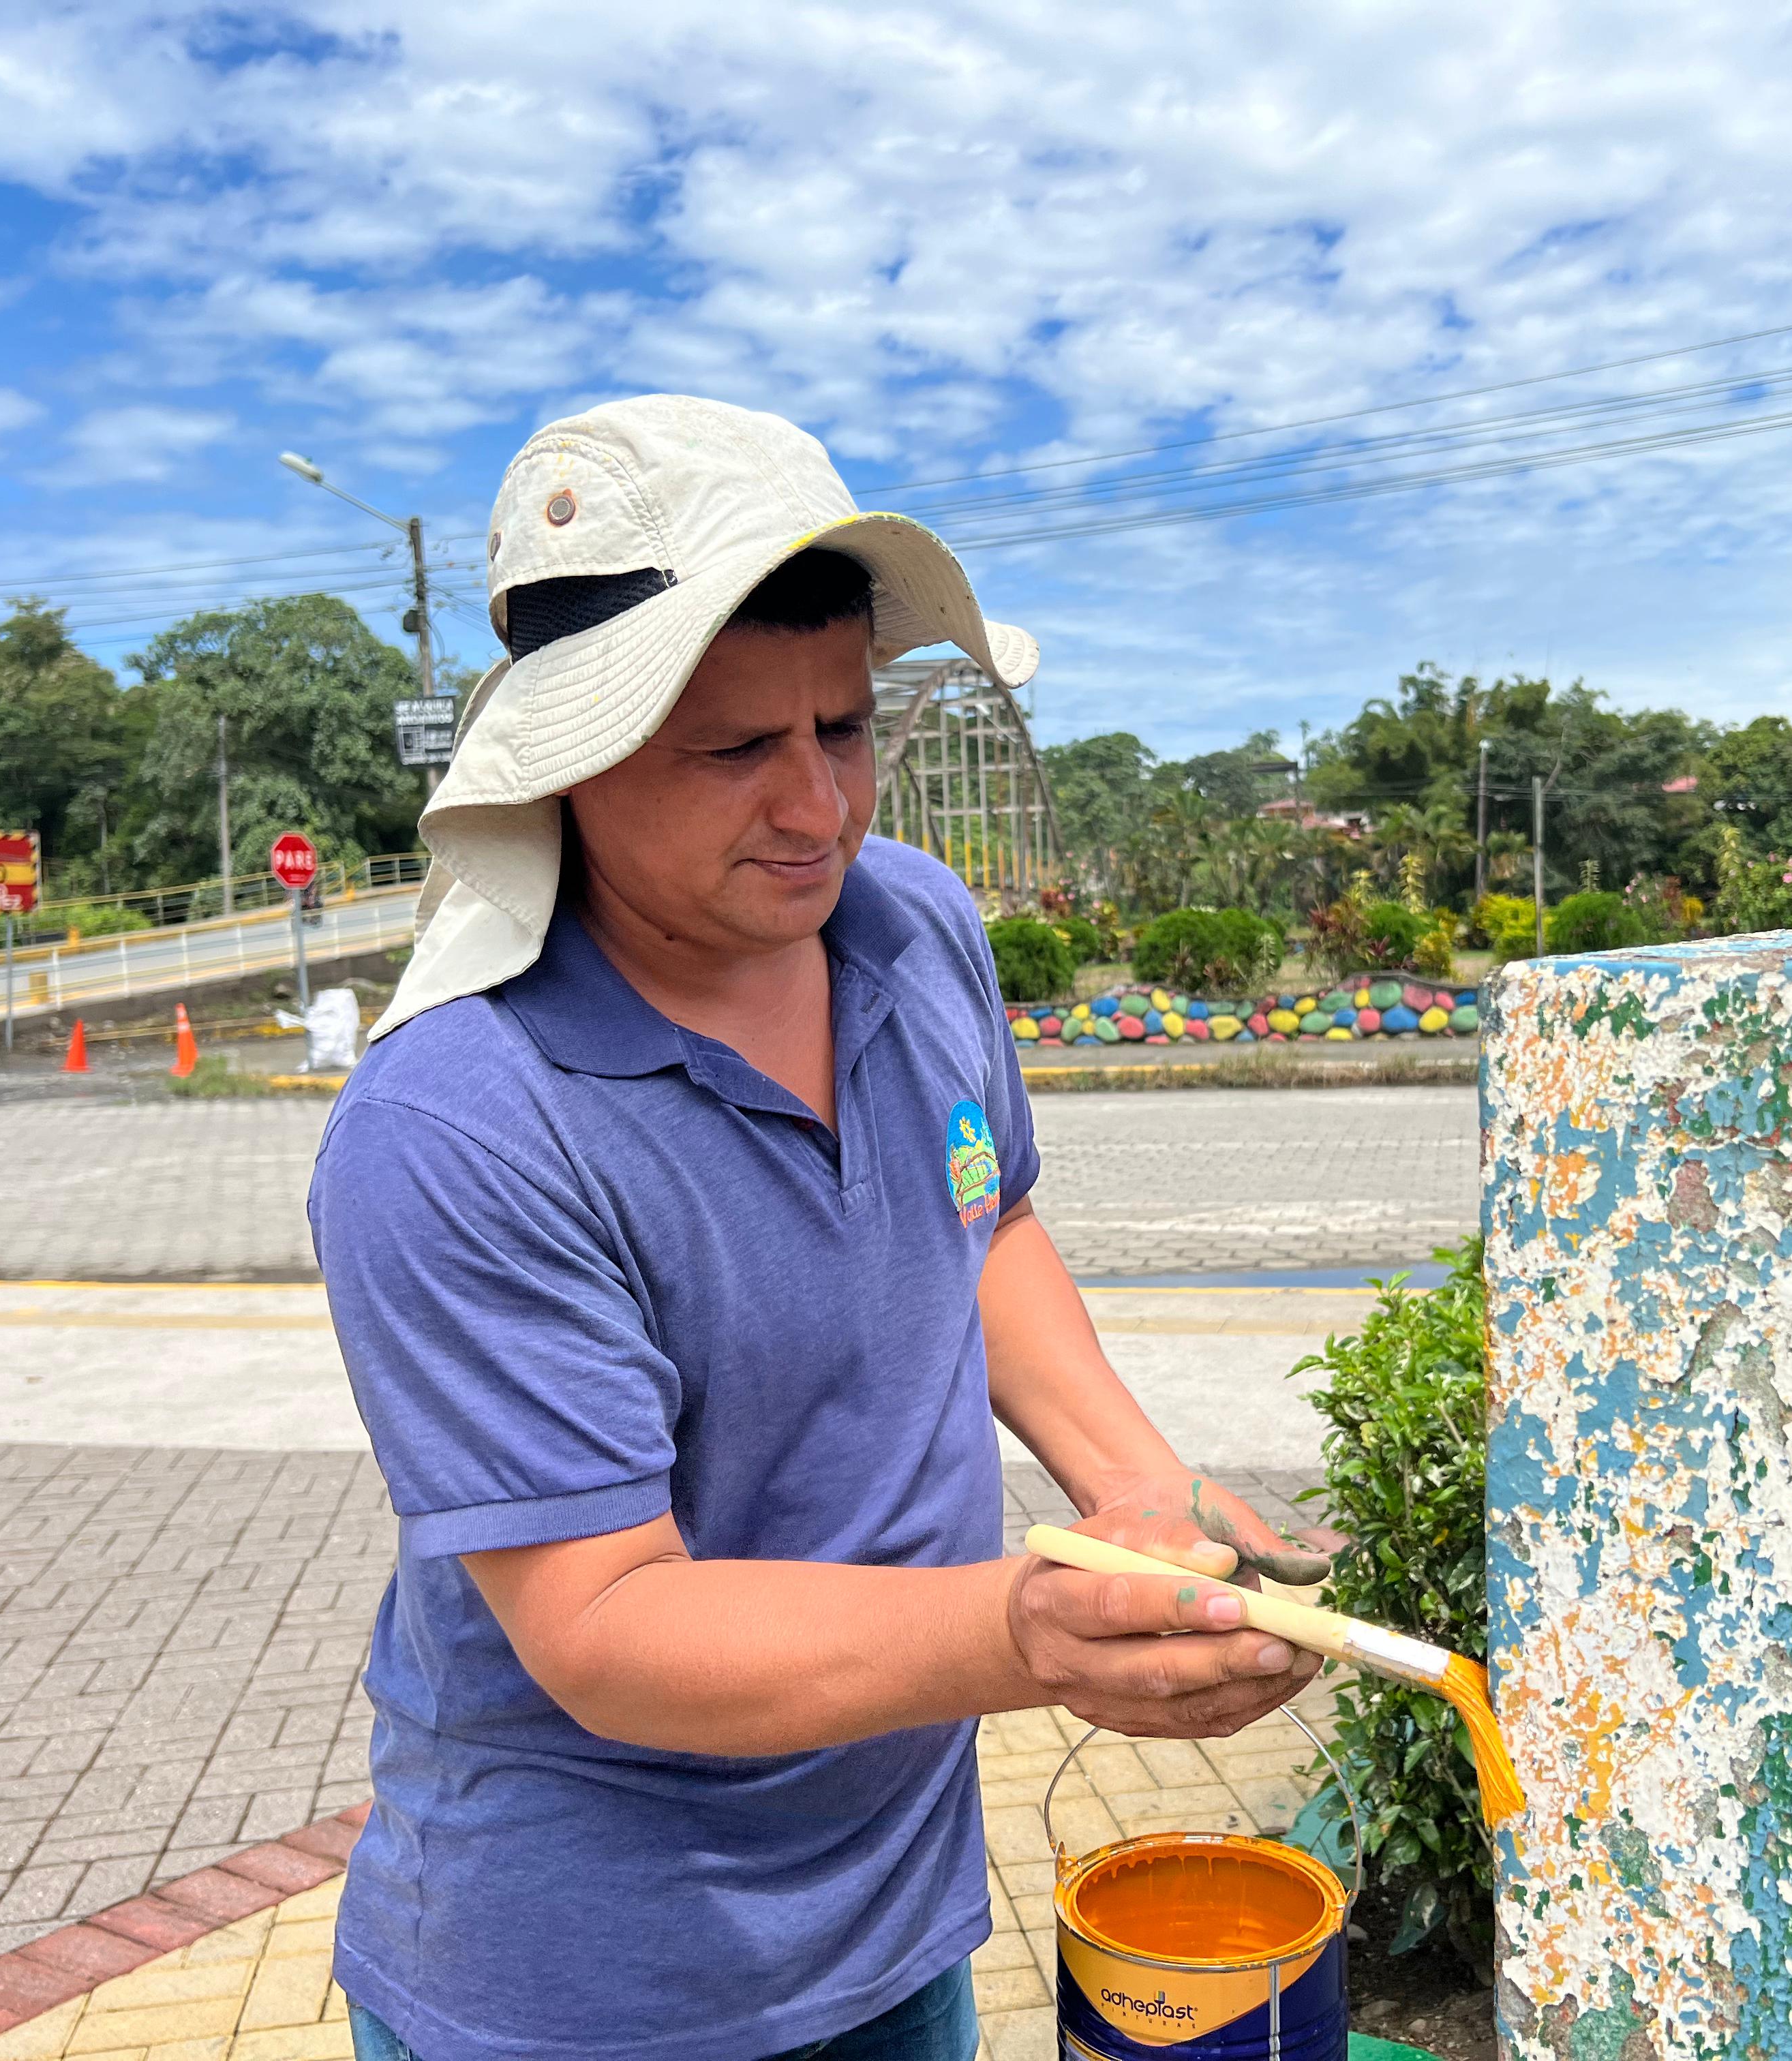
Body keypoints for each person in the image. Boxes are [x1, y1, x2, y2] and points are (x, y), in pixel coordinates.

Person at [309, 395, 1331, 2061]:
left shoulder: (915, 926)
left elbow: (981, 1222)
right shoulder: (461, 1123)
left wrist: (1141, 1493)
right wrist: (1025, 1631)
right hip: (588, 1983)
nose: (818, 810)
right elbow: (606, 1627)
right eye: (733, 751)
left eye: (844, 728)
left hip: (899, 1917)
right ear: (566, 760)